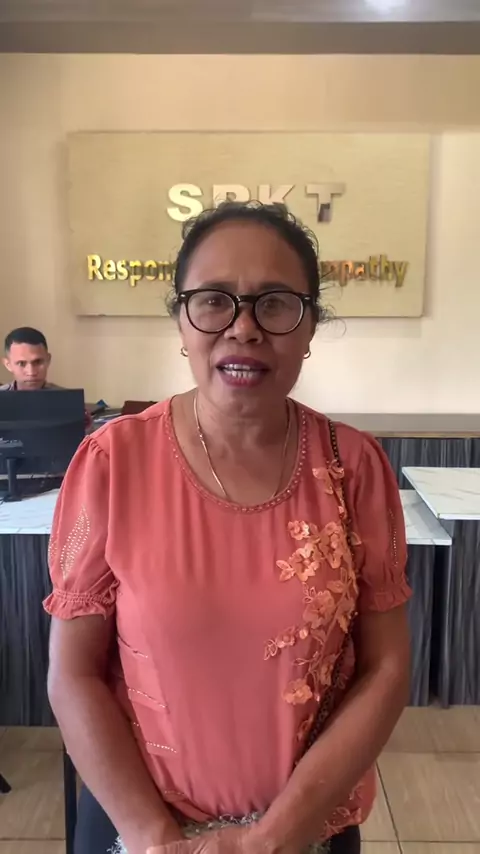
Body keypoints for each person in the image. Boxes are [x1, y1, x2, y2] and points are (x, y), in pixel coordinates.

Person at [44, 202, 411, 854]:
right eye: (214, 300)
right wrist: (154, 838)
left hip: (309, 831)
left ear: (309, 327)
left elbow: (386, 667)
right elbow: (72, 674)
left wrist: (280, 834)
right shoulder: (112, 463)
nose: (243, 328)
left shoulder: (354, 467)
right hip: (136, 827)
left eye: (275, 304)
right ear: (182, 323)